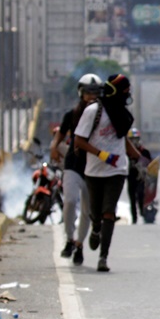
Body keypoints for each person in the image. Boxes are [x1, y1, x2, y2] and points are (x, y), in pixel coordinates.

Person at [74, 74, 140, 273]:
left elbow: (121, 139)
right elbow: (79, 140)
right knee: (95, 214)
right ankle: (95, 229)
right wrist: (102, 155)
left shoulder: (123, 114)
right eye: (125, 91)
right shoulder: (93, 111)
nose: (127, 95)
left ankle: (103, 257)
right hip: (94, 170)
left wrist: (138, 156)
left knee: (109, 212)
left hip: (117, 169)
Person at [50, 73, 104, 264]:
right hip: (73, 163)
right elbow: (61, 133)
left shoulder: (103, 116)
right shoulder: (71, 114)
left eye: (95, 93)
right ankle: (69, 238)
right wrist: (54, 146)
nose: (91, 97)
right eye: (88, 93)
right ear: (81, 93)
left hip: (93, 166)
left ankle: (80, 244)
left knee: (88, 209)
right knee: (70, 201)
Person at [125, 128, 153, 224]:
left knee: (141, 193)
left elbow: (151, 165)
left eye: (135, 139)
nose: (134, 141)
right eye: (131, 139)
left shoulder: (144, 152)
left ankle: (142, 212)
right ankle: (134, 218)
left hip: (141, 178)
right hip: (130, 177)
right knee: (132, 198)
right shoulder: (126, 153)